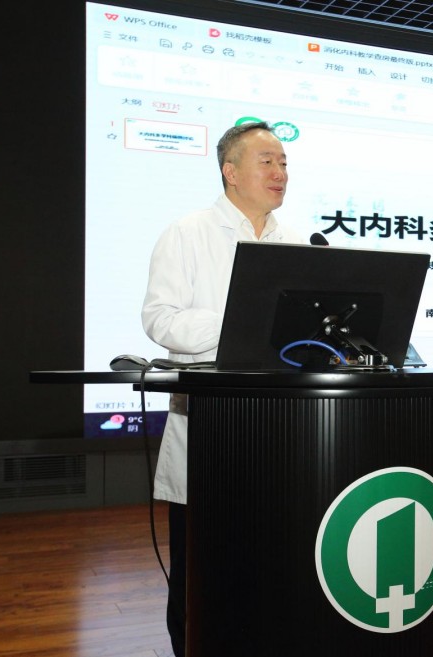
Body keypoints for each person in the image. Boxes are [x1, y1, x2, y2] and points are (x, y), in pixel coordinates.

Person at [141, 121, 302, 657]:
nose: (280, 172)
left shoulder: (297, 242)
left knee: (271, 574)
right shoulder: (187, 233)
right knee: (202, 578)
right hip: (210, 430)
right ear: (231, 172)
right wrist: (241, 323)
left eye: (284, 162)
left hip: (282, 432)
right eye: (267, 161)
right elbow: (160, 318)